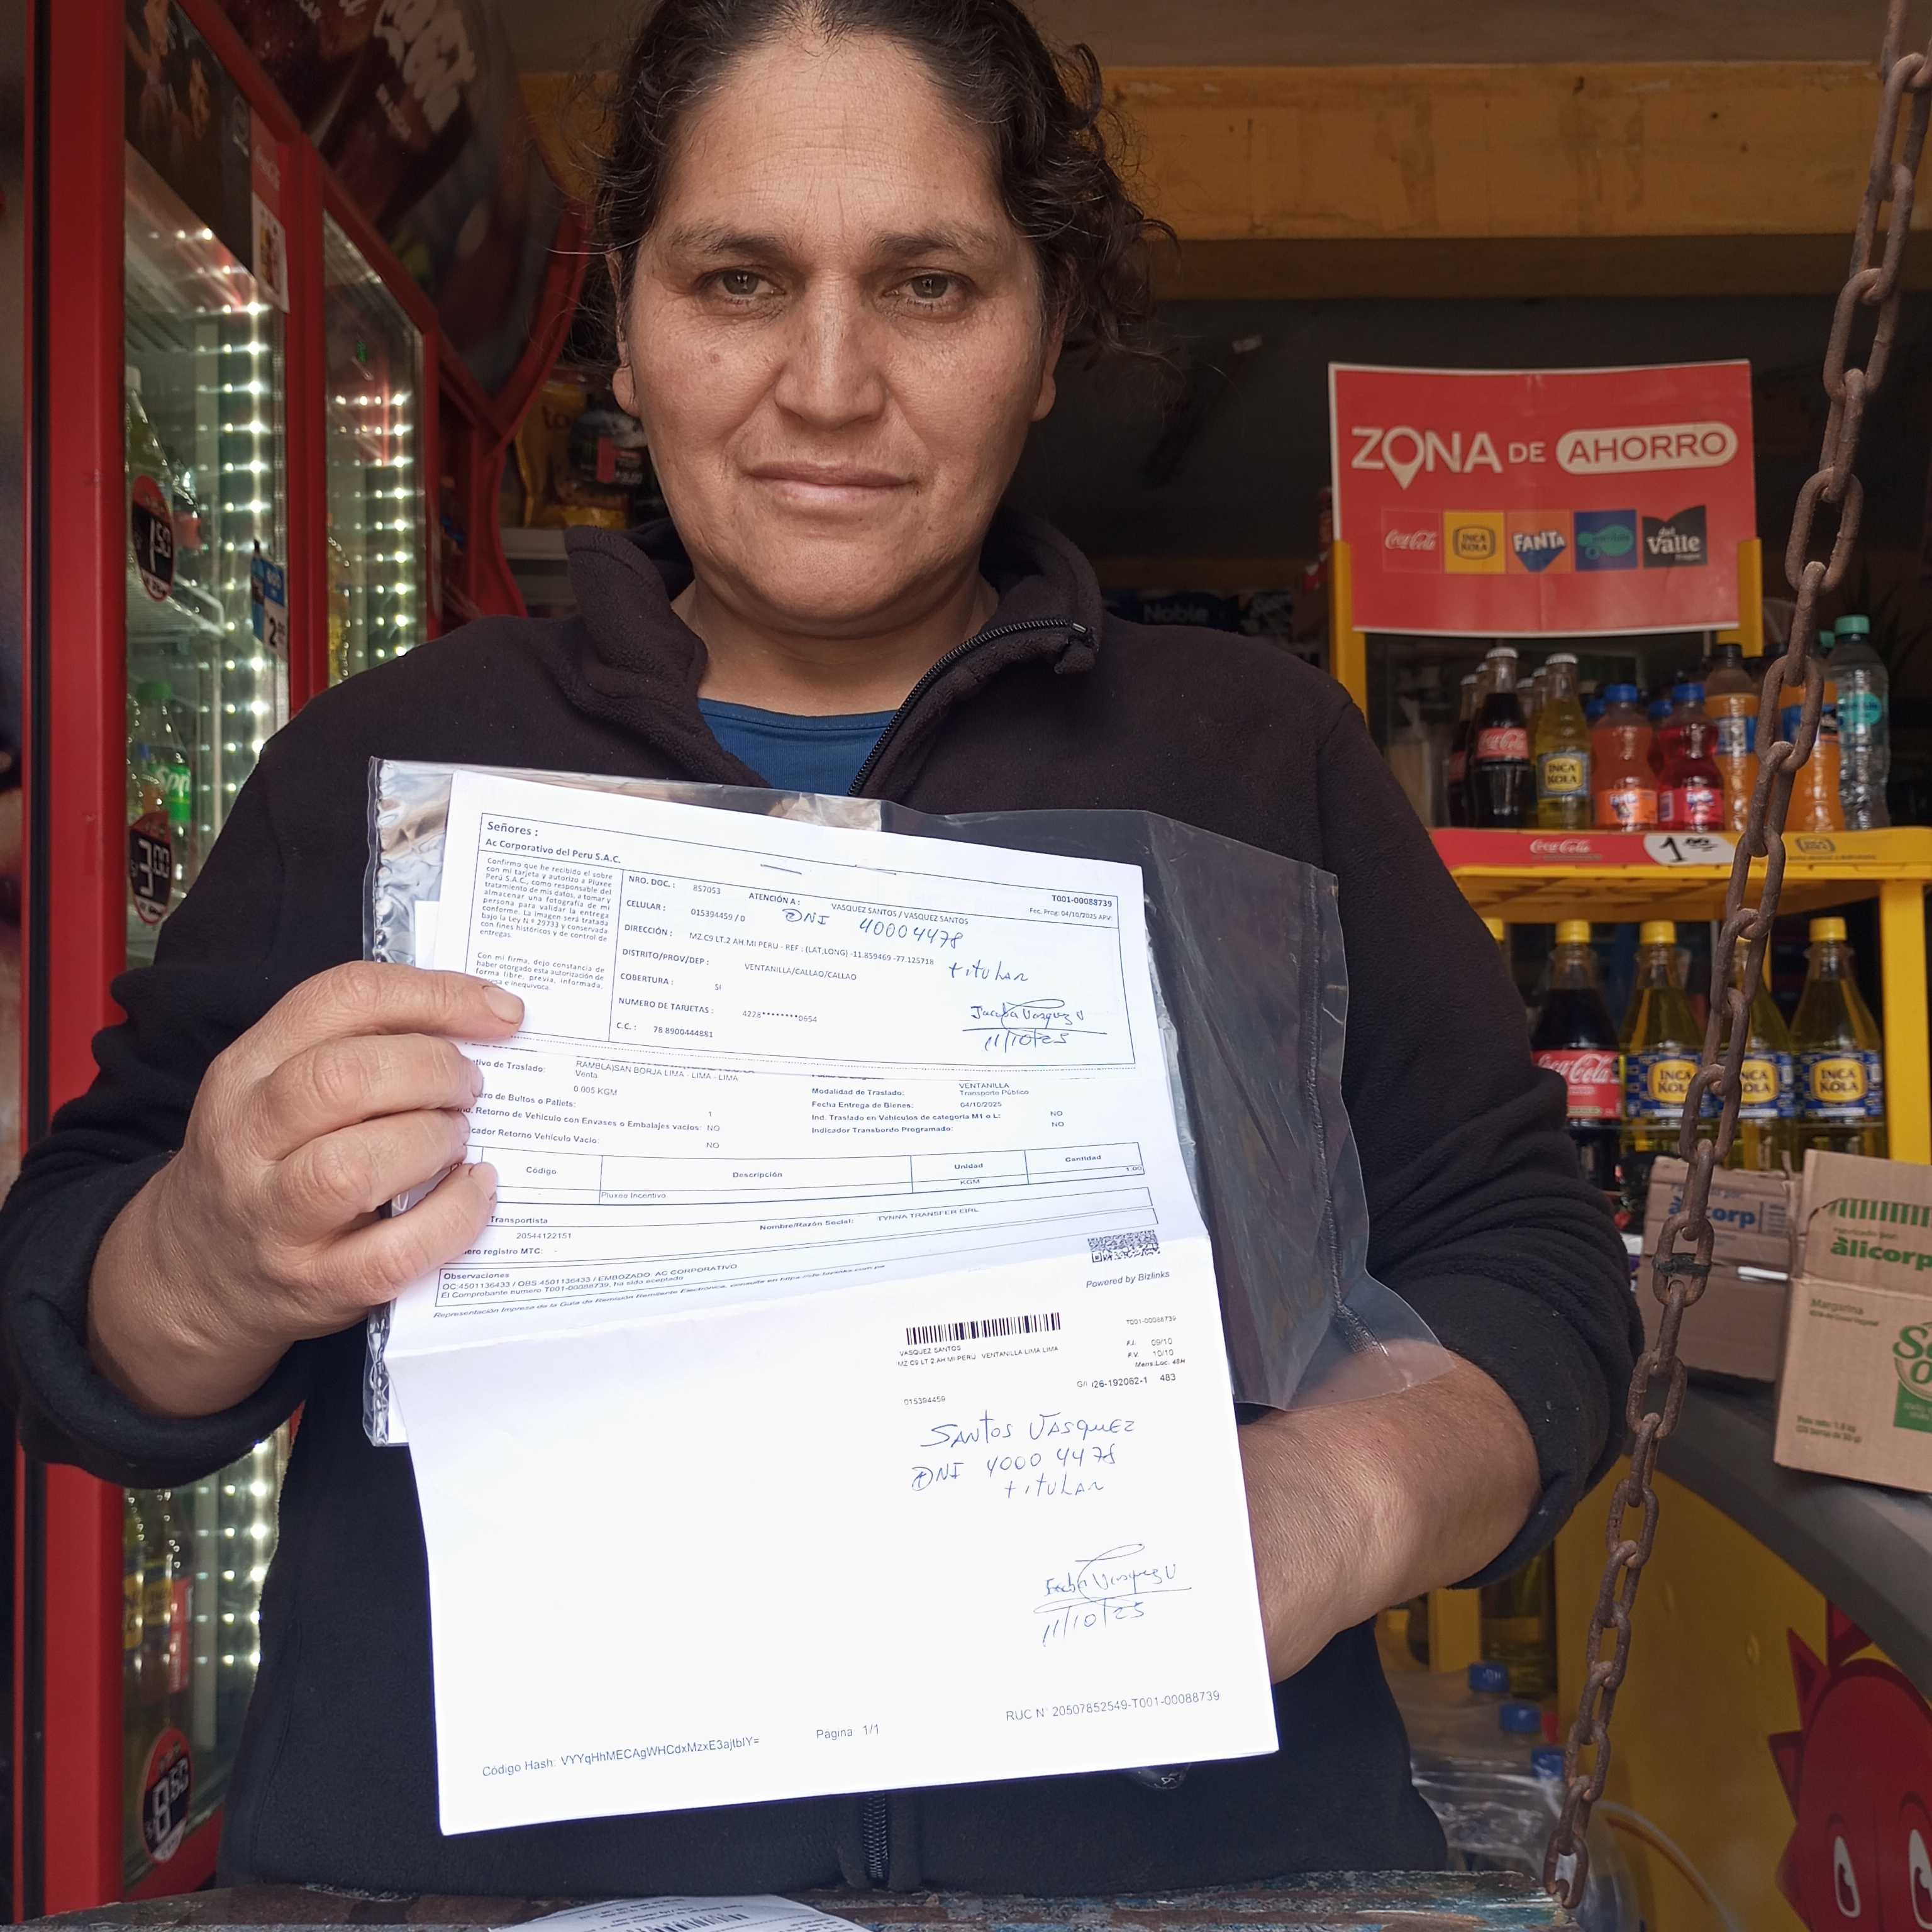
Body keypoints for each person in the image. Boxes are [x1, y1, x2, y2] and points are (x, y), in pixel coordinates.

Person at [1, 0, 1636, 1897]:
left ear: (1046, 335)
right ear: (630, 328)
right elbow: (65, 1307)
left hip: (1163, 1886)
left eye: (929, 285)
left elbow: (1533, 1266)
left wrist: (1347, 1499)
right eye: (741, 281)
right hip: (486, 1890)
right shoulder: (386, 766)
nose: (831, 384)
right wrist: (206, 1258)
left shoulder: (1259, 760)